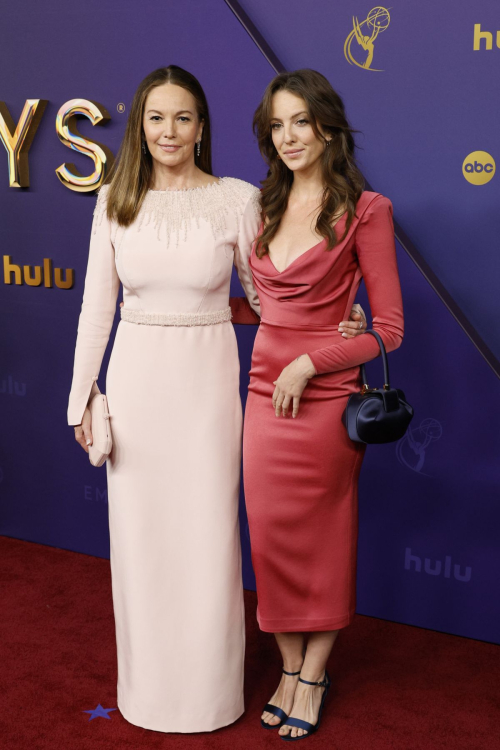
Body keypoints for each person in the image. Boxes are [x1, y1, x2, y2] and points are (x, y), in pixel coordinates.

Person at [67, 65, 263, 734]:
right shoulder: (115, 197)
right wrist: (80, 399)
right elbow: (98, 307)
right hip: (137, 381)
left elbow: (266, 298)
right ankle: (148, 692)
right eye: (156, 117)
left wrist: (333, 321)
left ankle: (210, 696)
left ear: (202, 127)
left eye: (183, 117)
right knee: (142, 541)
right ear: (140, 126)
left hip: (206, 384)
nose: (169, 130)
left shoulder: (238, 199)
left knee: (209, 537)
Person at [243, 69, 404, 740]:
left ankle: (313, 674)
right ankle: (288, 666)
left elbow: (387, 330)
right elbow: (265, 310)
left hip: (325, 401)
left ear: (328, 126)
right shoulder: (262, 208)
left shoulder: (368, 210)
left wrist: (313, 360)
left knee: (323, 543)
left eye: (300, 122)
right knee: (272, 541)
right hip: (260, 396)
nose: (288, 137)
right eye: (276, 125)